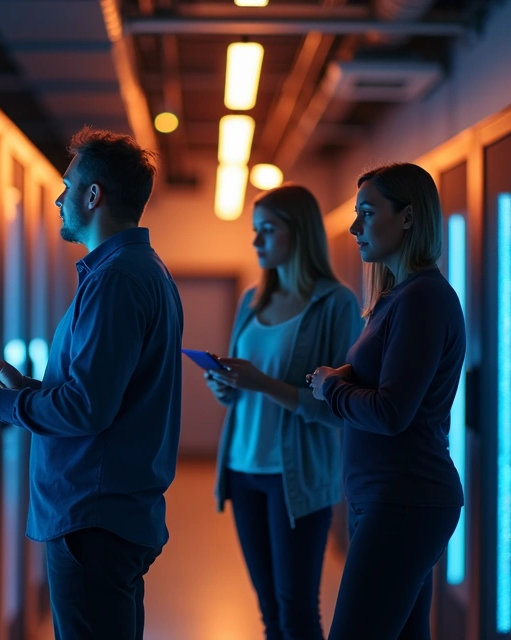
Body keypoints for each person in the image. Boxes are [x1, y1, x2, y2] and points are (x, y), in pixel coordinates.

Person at [0, 127, 183, 640]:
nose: (59, 199)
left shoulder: (117, 279)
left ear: (93, 195)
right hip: (109, 512)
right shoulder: (140, 271)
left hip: (92, 518)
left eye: (67, 185)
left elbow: (87, 409)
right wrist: (25, 388)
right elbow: (101, 392)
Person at [309, 163, 466, 640]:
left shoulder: (422, 300)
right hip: (387, 498)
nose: (356, 227)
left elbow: (391, 412)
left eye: (367, 212)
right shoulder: (397, 298)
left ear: (408, 218)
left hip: (404, 500)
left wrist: (331, 387)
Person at [205, 185, 362, 640]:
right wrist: (226, 385)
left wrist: (261, 382)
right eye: (255, 232)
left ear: (300, 233)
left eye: (267, 231)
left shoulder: (337, 304)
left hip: (296, 476)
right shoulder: (252, 301)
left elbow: (336, 408)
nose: (256, 243)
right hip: (242, 468)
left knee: (296, 611)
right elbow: (239, 395)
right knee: (270, 610)